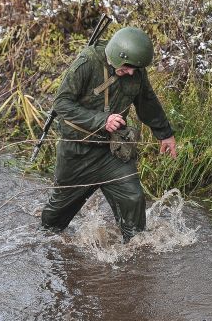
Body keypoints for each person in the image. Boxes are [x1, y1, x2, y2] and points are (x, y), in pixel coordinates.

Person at [41, 26, 177, 241]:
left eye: (135, 68)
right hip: (77, 152)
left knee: (133, 198)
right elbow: (62, 103)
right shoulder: (87, 64)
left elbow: (147, 103)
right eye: (128, 67)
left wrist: (165, 134)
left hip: (112, 152)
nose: (132, 72)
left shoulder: (136, 70)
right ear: (116, 55)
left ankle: (136, 253)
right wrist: (101, 120)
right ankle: (45, 245)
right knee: (55, 219)